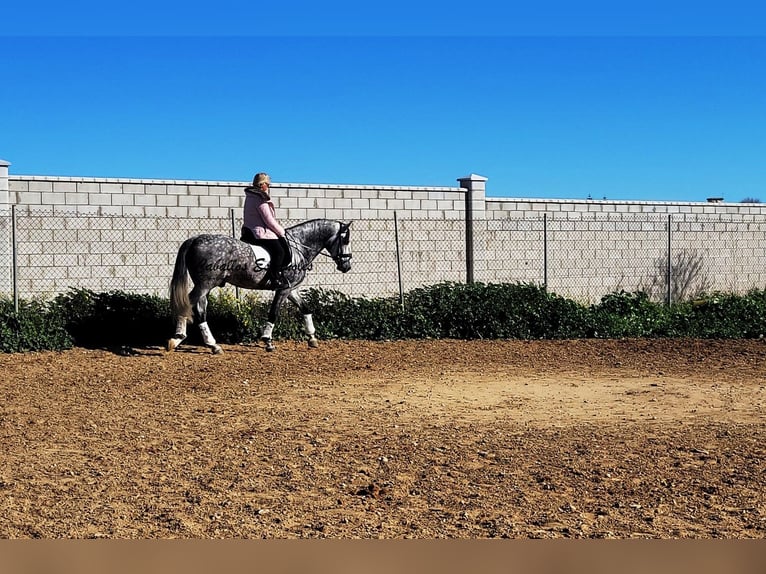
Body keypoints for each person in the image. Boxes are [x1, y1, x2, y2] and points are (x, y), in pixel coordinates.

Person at [240, 172, 292, 289]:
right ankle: (275, 278)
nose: (268, 187)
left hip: (250, 231)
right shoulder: (259, 199)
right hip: (259, 233)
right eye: (267, 184)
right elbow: (269, 220)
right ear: (262, 185)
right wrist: (282, 232)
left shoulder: (250, 196)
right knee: (280, 252)